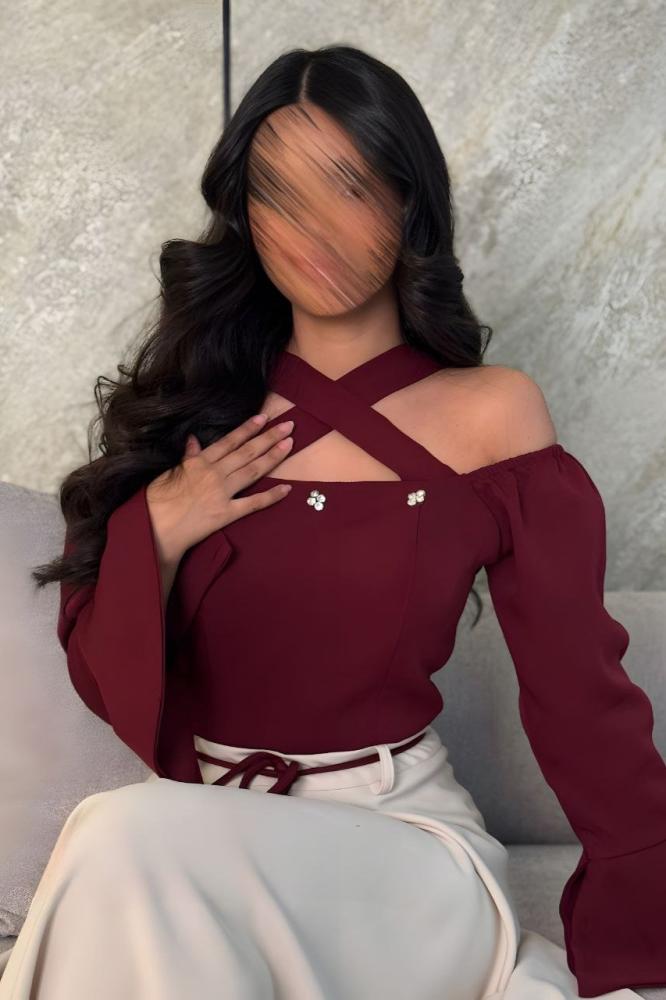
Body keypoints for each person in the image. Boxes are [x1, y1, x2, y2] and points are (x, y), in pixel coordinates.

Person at [3, 44, 664, 1000]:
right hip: (197, 846)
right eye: (277, 193)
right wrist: (159, 529)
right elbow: (112, 691)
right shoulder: (194, 414)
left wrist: (638, 943)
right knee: (135, 839)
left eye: (348, 186)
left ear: (408, 200)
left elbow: (581, 698)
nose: (312, 228)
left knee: (121, 833)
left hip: (399, 847)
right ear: (246, 217)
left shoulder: (493, 415)